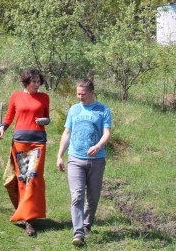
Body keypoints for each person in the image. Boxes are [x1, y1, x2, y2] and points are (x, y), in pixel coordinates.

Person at [56, 78, 112, 247]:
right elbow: (67, 133)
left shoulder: (103, 110)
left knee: (93, 197)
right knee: (77, 195)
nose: (80, 96)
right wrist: (60, 155)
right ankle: (78, 232)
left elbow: (107, 133)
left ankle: (87, 224)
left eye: (83, 94)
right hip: (75, 158)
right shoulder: (74, 110)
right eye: (78, 93)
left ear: (92, 93)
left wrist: (98, 145)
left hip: (97, 160)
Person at [0, 68, 50, 236]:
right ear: (26, 82)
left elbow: (47, 117)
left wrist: (45, 120)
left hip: (38, 143)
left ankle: (30, 213)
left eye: (38, 81)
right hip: (20, 143)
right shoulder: (16, 96)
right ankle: (27, 220)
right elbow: (9, 116)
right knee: (22, 178)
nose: (36, 84)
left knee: (33, 177)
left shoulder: (44, 97)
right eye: (33, 81)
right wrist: (2, 128)